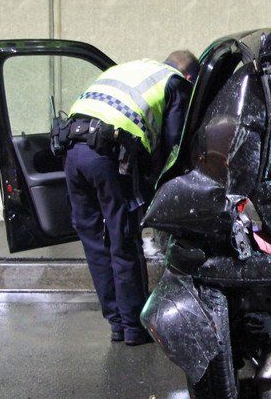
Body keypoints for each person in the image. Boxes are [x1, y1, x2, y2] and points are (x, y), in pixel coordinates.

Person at [59, 50, 198, 344]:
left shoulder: (129, 69)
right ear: (189, 76)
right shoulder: (174, 82)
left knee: (95, 242)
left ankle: (117, 323)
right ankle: (134, 327)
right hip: (107, 154)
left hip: (71, 150)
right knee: (123, 239)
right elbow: (174, 145)